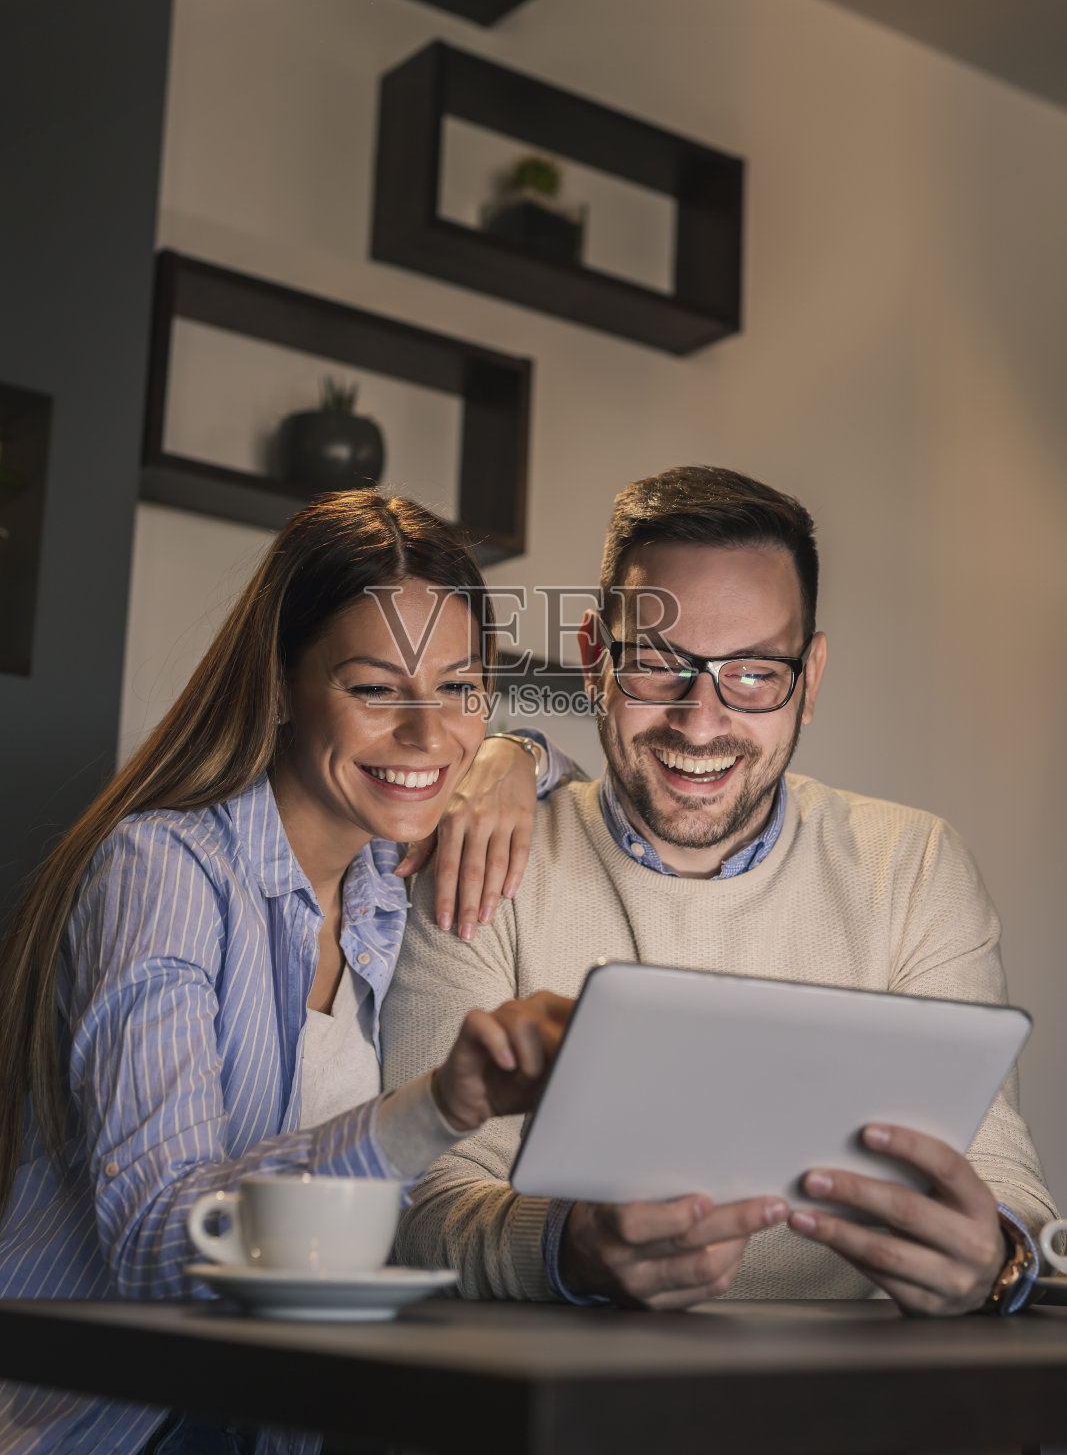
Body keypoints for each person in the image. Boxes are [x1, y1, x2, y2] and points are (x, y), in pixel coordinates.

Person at [382, 465, 1055, 1317]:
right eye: (658, 664)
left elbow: (1004, 1182)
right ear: (595, 659)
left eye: (751, 673)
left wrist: (995, 1258)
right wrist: (568, 1249)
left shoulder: (912, 864)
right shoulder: (487, 853)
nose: (699, 721)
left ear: (807, 680)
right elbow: (410, 1196)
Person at [0, 490, 571, 1455]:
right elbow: (158, 1242)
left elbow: (568, 775)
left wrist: (516, 753)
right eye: (375, 689)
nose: (429, 737)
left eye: (462, 688)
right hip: (105, 1432)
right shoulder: (165, 870)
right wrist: (433, 1108)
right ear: (278, 684)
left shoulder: (384, 879)